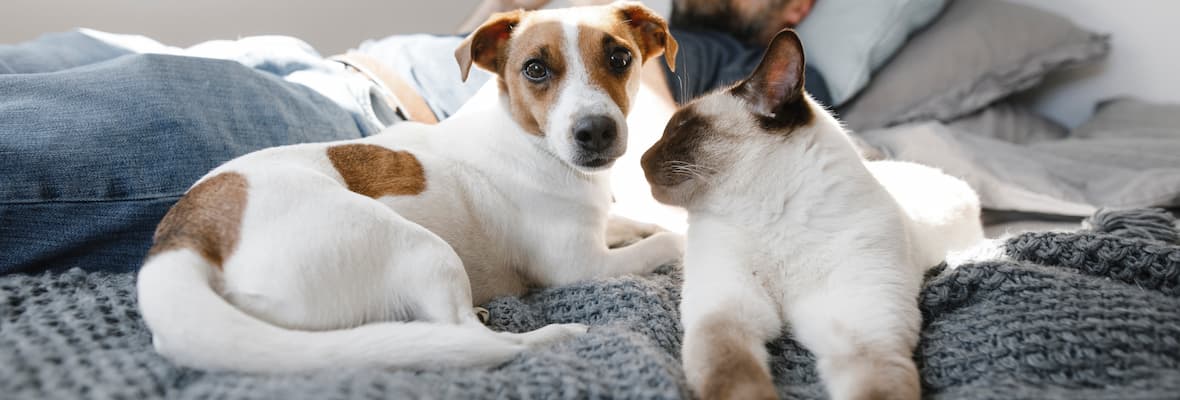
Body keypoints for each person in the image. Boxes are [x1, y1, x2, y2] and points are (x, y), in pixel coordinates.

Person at [0, 0, 825, 275]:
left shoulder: (723, 51)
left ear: (795, 12)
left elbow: (624, 118)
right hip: (317, 65)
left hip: (364, 127)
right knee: (45, 61)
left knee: (71, 130)